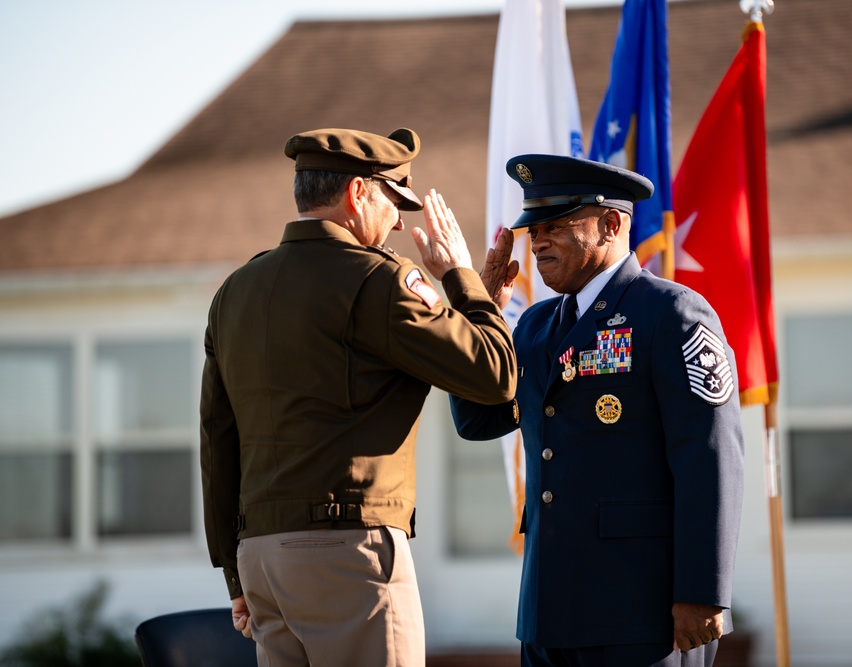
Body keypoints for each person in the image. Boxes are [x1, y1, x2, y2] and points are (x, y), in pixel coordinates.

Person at [200, 127, 517, 667]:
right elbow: (494, 374)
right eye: (396, 201)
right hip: (347, 552)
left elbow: (217, 439)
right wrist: (464, 281)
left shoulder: (235, 290)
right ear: (357, 194)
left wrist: (234, 571)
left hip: (260, 561)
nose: (399, 221)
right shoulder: (380, 281)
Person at [450, 154, 745, 667]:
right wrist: (481, 318)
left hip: (641, 613)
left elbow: (711, 457)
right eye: (532, 227)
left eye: (555, 225)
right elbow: (479, 420)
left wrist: (704, 590)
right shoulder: (535, 326)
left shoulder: (671, 314)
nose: (537, 240)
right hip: (549, 613)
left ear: (612, 224)